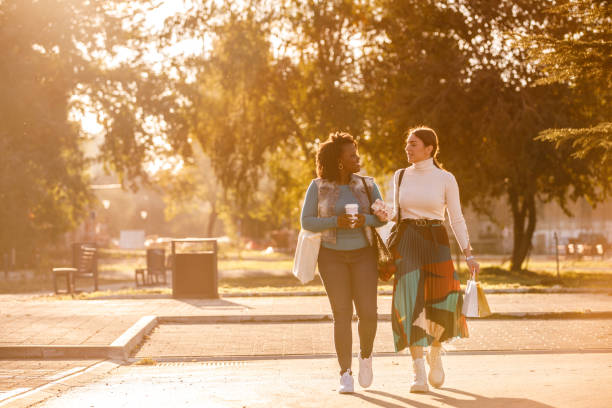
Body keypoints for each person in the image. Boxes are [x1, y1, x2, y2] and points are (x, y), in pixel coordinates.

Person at [375, 126, 480, 393]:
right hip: (408, 242)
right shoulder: (400, 176)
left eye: (413, 144)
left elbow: (456, 218)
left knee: (439, 301)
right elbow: (399, 213)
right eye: (407, 144)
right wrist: (385, 212)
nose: (407, 149)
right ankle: (418, 371)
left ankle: (435, 354)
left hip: (436, 242)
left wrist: (469, 254)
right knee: (410, 301)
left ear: (429, 149)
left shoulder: (445, 179)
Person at [300, 131, 386, 393]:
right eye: (352, 155)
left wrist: (365, 220)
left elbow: (383, 217)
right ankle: (345, 373)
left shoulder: (368, 186)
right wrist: (335, 222)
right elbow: (306, 221)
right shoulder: (318, 187)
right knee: (342, 315)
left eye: (357, 153)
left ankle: (366, 356)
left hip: (364, 255)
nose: (357, 158)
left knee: (369, 313)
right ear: (339, 160)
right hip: (331, 255)